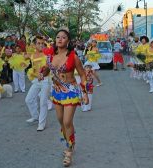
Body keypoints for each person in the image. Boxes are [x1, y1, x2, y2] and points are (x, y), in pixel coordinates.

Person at [40, 28, 89, 167]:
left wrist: (85, 92)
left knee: (67, 121)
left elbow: (83, 74)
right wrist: (41, 74)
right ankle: (70, 139)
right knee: (61, 121)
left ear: (68, 41)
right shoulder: (50, 56)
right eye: (58, 37)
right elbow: (47, 71)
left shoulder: (73, 56)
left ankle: (68, 150)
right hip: (56, 92)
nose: (60, 39)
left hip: (71, 91)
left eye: (63, 37)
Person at [25, 36, 50, 131]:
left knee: (43, 101)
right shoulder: (32, 55)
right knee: (28, 99)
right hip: (36, 80)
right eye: (38, 43)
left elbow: (48, 68)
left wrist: (42, 75)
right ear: (34, 45)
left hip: (45, 80)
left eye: (42, 43)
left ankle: (41, 123)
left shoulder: (46, 54)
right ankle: (35, 116)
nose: (41, 45)